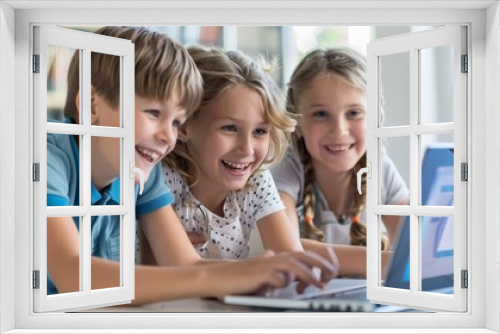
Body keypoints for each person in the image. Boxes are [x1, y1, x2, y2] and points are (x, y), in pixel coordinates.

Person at [46, 26, 337, 306]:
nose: (167, 136)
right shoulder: (46, 159)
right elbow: (74, 276)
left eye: (176, 122)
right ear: (92, 105)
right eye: (154, 113)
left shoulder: (142, 172)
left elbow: (185, 266)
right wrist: (236, 274)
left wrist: (257, 271)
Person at [158, 45, 339, 277]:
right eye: (229, 128)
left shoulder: (256, 180)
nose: (247, 149)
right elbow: (180, 271)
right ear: (183, 126)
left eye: (260, 132)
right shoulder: (162, 178)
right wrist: (257, 270)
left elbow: (289, 255)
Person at [271, 48, 409, 277]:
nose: (339, 130)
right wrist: (389, 264)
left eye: (354, 113)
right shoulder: (285, 167)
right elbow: (287, 250)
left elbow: (415, 246)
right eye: (321, 114)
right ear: (296, 120)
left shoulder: (378, 166)